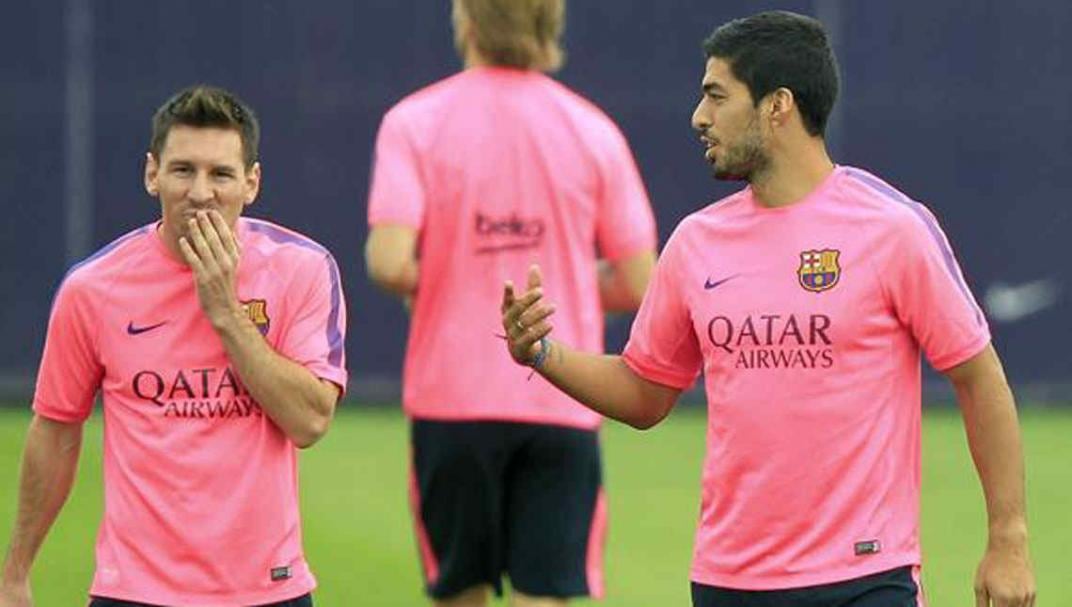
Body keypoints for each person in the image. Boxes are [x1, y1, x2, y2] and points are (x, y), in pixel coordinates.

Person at [501, 11, 1037, 607]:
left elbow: (977, 374)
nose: (698, 117)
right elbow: (645, 392)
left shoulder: (892, 229)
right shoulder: (695, 242)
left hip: (866, 577)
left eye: (716, 96)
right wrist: (542, 353)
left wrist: (1007, 541)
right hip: (729, 582)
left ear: (777, 104)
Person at [0, 85, 347, 607]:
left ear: (251, 183)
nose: (201, 191)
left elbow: (310, 421)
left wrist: (224, 312)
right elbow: (55, 428)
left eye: (221, 174)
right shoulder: (94, 289)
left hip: (267, 590)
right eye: (183, 170)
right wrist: (16, 572)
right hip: (134, 592)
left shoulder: (302, 269)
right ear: (151, 174)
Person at [364, 0, 658, 604]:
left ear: (467, 24)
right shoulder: (593, 129)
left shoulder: (414, 121)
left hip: (453, 398)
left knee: (461, 591)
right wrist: (568, 285)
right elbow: (636, 278)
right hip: (561, 392)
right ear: (551, 28)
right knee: (544, 595)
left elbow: (389, 261)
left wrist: (455, 281)